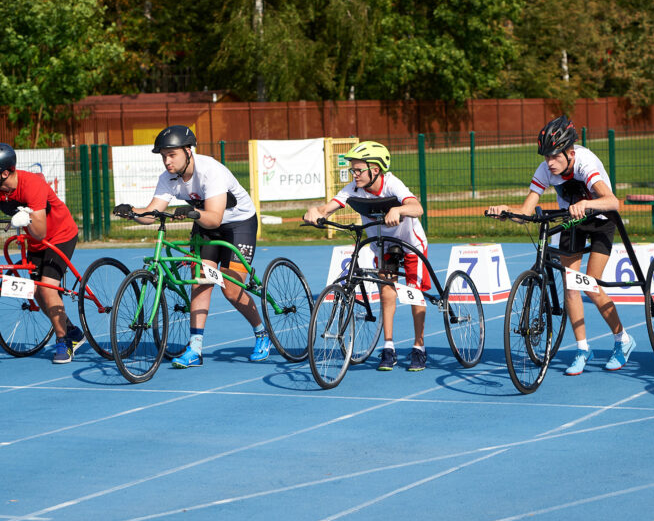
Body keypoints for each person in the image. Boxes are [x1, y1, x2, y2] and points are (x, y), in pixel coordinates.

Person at [113, 125, 271, 368]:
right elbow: (152, 212)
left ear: (188, 151)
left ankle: (261, 333)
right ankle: (195, 348)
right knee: (200, 280)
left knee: (230, 287)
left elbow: (215, 218)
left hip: (237, 224)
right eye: (163, 156)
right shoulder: (168, 178)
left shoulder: (211, 172)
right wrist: (132, 212)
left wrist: (192, 212)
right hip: (204, 224)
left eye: (172, 155)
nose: (167, 161)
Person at [489, 115, 636, 375]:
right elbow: (525, 210)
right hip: (573, 220)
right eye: (546, 156)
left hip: (601, 219)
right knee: (571, 287)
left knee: (590, 284)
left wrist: (587, 204)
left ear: (569, 152)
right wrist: (506, 211)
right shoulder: (545, 169)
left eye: (555, 156)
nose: (549, 162)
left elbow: (613, 202)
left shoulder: (585, 163)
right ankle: (582, 349)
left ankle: (622, 340)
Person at [302, 141, 430, 371]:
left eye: (359, 170)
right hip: (382, 244)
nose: (355, 174)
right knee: (386, 289)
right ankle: (388, 347)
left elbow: (417, 208)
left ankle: (419, 346)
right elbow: (326, 209)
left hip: (410, 241)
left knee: (413, 291)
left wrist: (399, 209)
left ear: (376, 170)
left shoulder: (392, 184)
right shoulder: (353, 188)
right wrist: (314, 211)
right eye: (352, 169)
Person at [0, 143, 85, 363]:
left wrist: (26, 219)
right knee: (35, 292)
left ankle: (64, 341)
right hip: (35, 242)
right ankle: (71, 330)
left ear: (5, 173)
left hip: (60, 236)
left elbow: (41, 232)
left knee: (47, 288)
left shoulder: (31, 184)